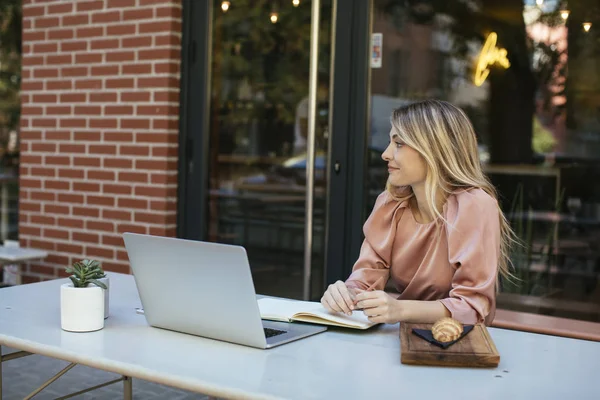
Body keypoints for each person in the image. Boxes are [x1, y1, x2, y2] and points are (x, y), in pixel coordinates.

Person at [320, 99, 516, 326]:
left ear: (434, 149)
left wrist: (400, 309)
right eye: (389, 142)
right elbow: (366, 279)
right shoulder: (391, 204)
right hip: (403, 338)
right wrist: (345, 294)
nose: (385, 154)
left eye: (399, 143)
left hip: (457, 344)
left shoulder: (474, 206)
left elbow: (474, 308)